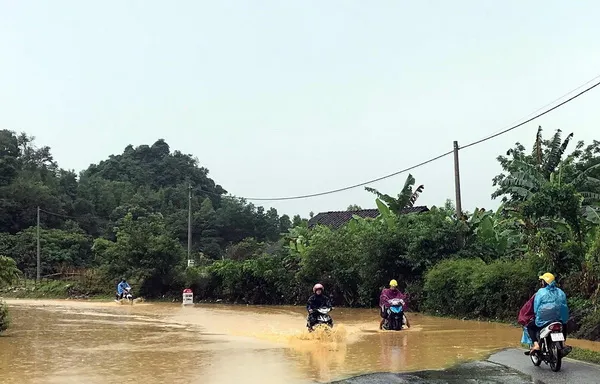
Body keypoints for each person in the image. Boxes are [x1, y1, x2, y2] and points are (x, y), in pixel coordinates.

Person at [525, 273, 570, 354]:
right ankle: (563, 343)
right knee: (564, 325)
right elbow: (564, 307)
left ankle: (536, 345)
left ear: (545, 282)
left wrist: (536, 315)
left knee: (530, 327)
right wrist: (563, 319)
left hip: (543, 321)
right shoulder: (561, 292)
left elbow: (536, 307)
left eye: (542, 281)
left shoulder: (540, 292)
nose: (541, 283)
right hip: (558, 319)